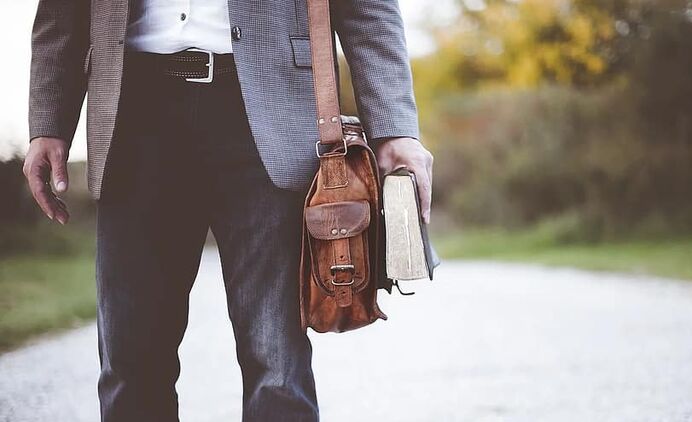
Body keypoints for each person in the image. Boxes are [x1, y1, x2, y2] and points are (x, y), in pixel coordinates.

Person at [23, 0, 433, 421]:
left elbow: (368, 9)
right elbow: (61, 12)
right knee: (130, 363)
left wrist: (395, 129)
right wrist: (48, 122)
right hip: (132, 110)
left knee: (277, 365)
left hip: (268, 110)